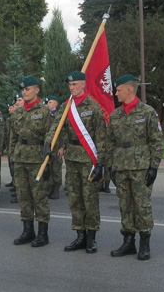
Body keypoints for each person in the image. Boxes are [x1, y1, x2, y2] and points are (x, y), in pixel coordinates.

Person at [104, 74, 164, 260]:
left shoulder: (147, 112)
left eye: (118, 90)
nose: (116, 93)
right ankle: (128, 241)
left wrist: (154, 167)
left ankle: (144, 243)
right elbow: (110, 143)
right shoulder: (115, 115)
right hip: (120, 166)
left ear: (129, 90)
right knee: (125, 205)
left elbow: (157, 142)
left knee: (142, 205)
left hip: (141, 167)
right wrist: (110, 167)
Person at [46, 71, 107, 252]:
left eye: (74, 85)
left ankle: (91, 236)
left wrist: (101, 163)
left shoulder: (93, 107)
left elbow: (102, 137)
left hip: (89, 158)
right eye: (70, 85)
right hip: (72, 157)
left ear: (83, 85)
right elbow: (56, 126)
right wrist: (48, 143)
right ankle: (79, 234)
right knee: (75, 198)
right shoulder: (67, 106)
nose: (71, 88)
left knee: (90, 199)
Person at [10, 77, 54, 247]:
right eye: (23, 90)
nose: (24, 92)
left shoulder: (44, 112)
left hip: (37, 160)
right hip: (20, 158)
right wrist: (13, 159)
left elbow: (50, 138)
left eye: (27, 89)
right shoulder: (18, 113)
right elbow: (13, 137)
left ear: (37, 90)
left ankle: (43, 233)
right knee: (23, 196)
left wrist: (49, 162)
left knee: (39, 197)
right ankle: (28, 230)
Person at [45, 96, 63, 200]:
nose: (48, 104)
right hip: (48, 146)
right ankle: (49, 188)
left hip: (57, 146)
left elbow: (63, 133)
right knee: (48, 168)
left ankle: (56, 189)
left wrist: (62, 147)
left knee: (56, 168)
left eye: (50, 102)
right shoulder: (46, 116)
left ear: (55, 104)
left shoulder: (59, 116)